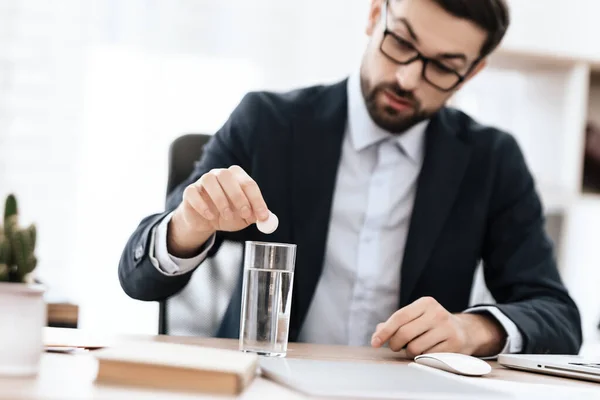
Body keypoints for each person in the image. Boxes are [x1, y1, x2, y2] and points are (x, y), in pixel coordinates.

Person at [118, 0, 582, 358]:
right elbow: (139, 280)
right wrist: (189, 226)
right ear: (376, 15)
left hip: (409, 390)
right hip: (266, 381)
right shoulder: (269, 123)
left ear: (472, 72)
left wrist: (470, 330)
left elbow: (558, 316)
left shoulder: (492, 160)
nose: (406, 78)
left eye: (442, 67)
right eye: (400, 41)